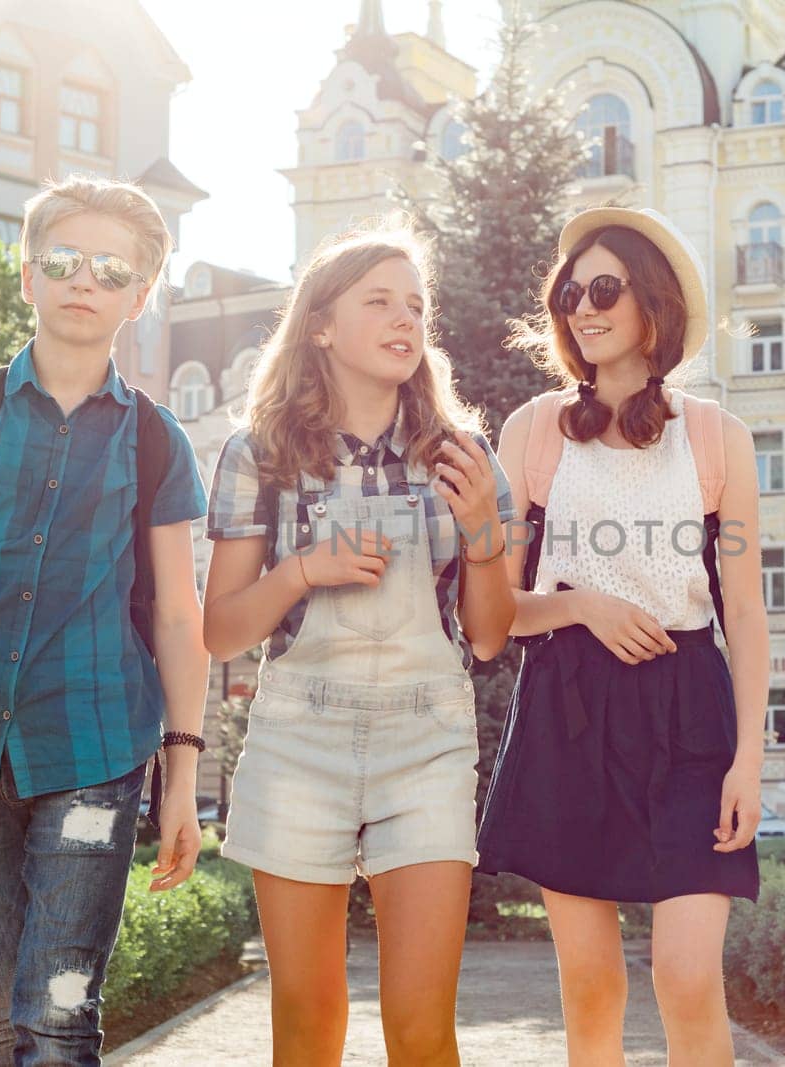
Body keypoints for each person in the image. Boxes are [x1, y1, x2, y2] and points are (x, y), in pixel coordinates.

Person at [0, 174, 210, 1065]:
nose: (85, 282)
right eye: (64, 261)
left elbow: (181, 620)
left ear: (139, 298)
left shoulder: (157, 440)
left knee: (59, 1014)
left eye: (111, 271)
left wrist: (180, 779)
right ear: (27, 275)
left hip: (98, 751)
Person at [201, 225, 516, 1066]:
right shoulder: (258, 454)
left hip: (427, 741)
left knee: (422, 1031)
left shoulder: (464, 458)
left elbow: (489, 636)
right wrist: (304, 569)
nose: (404, 317)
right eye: (377, 300)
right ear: (321, 326)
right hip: (299, 740)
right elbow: (223, 628)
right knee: (307, 1026)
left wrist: (485, 532)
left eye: (416, 304)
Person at [477, 207, 765, 1065]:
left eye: (605, 288)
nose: (583, 307)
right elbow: (494, 620)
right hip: (570, 705)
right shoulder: (531, 431)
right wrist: (579, 605)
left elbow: (744, 611)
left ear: (655, 305)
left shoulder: (719, 435)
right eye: (571, 291)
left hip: (690, 712)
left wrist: (750, 756)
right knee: (592, 985)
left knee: (685, 975)